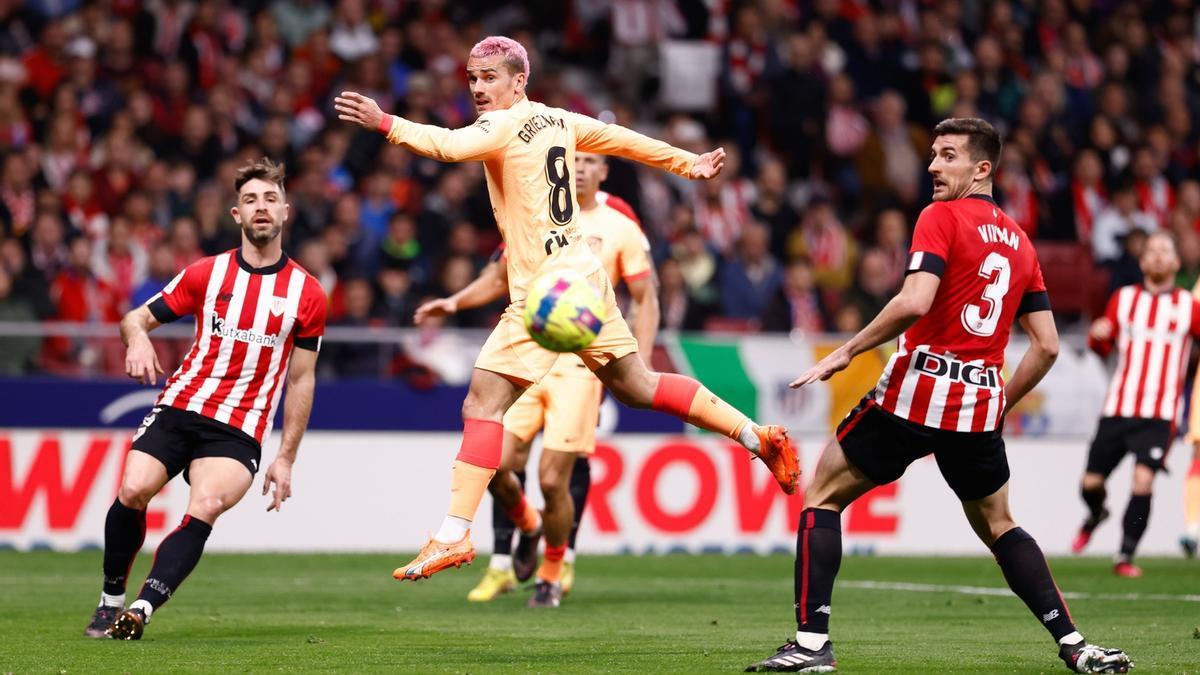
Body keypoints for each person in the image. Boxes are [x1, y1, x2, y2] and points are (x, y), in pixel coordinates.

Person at [335, 35, 799, 582]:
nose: (480, 90)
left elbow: (446, 146)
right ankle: (756, 436)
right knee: (640, 386)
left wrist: (385, 122)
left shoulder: (499, 126)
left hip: (543, 296)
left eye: (490, 79)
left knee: (481, 407)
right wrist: (686, 163)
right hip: (585, 280)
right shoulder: (559, 120)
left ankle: (453, 534)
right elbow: (621, 139)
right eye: (473, 80)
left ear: (518, 81)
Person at [747, 119, 1131, 674]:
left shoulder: (940, 216)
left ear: (982, 169)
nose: (932, 166)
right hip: (976, 410)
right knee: (1001, 525)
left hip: (914, 392)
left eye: (947, 156)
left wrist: (847, 350)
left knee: (822, 495)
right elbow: (1046, 346)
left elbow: (914, 300)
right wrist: (999, 401)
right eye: (932, 155)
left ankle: (810, 646)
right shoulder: (1022, 243)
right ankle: (1074, 644)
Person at [84, 158, 327, 640]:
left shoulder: (308, 293)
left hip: (240, 425)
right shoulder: (206, 274)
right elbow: (136, 317)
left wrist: (286, 458)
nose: (261, 207)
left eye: (271, 199)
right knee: (133, 490)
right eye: (251, 199)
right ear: (236, 215)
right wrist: (137, 339)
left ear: (286, 213)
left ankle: (142, 609)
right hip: (181, 405)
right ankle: (111, 599)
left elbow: (301, 380)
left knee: (208, 502)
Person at [416, 153, 658, 607]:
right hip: (528, 356)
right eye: (575, 160)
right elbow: (496, 275)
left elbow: (647, 297)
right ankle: (528, 525)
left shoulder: (620, 225)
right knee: (496, 465)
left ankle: (551, 572)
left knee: (553, 480)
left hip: (580, 366)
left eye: (591, 161)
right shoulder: (539, 210)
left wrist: (634, 365)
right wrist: (455, 302)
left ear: (604, 171)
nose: (581, 168)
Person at [1072, 232, 1200, 576]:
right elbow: (1103, 344)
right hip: (1118, 408)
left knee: (1142, 482)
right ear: (1142, 263)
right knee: (1090, 484)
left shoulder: (1190, 306)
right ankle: (1097, 513)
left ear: (1175, 262)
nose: (1158, 256)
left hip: (1159, 415)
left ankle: (1124, 556)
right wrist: (1097, 335)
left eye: (1165, 251)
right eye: (1152, 251)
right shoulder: (1124, 299)